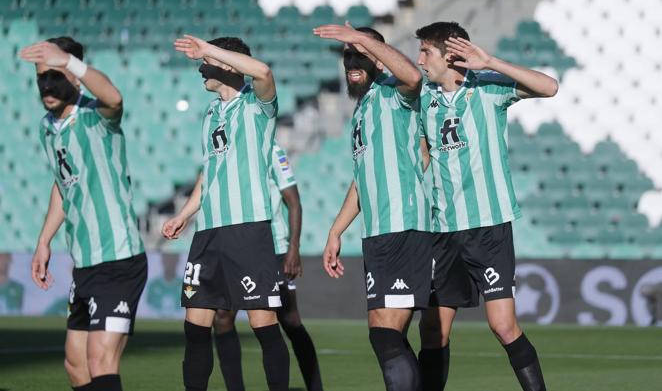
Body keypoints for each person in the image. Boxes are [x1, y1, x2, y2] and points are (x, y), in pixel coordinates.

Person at [415, 21, 558, 391]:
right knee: (433, 330)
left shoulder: (489, 88)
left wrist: (490, 60)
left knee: (503, 325)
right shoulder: (423, 99)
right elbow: (424, 152)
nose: (419, 59)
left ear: (449, 55)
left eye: (425, 51)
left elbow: (550, 87)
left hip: (488, 227)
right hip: (442, 230)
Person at [161, 35, 289, 391]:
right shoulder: (210, 113)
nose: (201, 68)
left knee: (264, 326)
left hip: (247, 230)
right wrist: (185, 213)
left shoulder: (257, 105)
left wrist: (210, 50)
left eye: (208, 62)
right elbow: (209, 171)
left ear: (229, 65)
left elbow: (262, 71)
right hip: (208, 233)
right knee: (195, 329)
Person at [21, 36, 147, 391]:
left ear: (74, 76)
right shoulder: (48, 127)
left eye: (55, 75)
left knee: (100, 360)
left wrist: (70, 62)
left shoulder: (97, 115)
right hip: (84, 262)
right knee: (76, 365)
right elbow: (63, 185)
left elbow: (115, 97)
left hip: (119, 258)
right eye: (41, 78)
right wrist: (43, 241)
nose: (47, 85)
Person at [316, 23, 430, 391]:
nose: (352, 60)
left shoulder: (393, 93)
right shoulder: (363, 109)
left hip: (404, 226)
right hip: (378, 233)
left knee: (386, 334)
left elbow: (413, 75)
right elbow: (361, 181)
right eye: (348, 55)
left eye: (360, 53)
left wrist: (367, 41)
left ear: (378, 58)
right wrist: (336, 231)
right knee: (384, 335)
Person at [212, 141, 324, 391]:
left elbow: (293, 201)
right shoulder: (227, 153)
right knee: (222, 316)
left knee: (290, 321)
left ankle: (315, 387)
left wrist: (293, 248)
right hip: (237, 249)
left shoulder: (271, 150)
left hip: (273, 248)